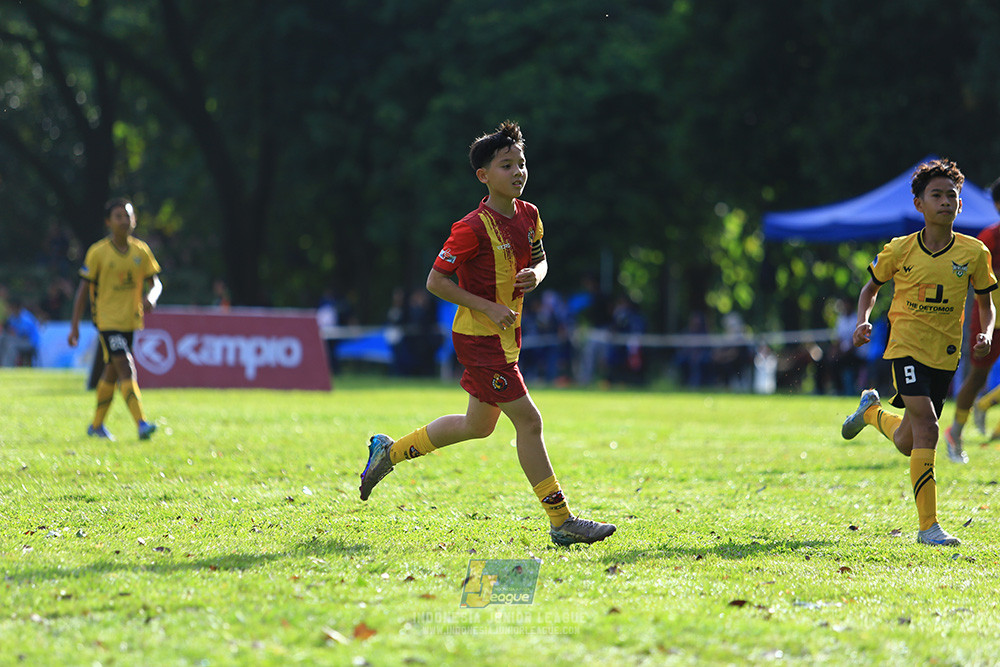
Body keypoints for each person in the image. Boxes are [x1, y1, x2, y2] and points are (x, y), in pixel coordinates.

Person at [357, 120, 615, 546]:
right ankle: (562, 521)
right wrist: (488, 306)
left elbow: (541, 260)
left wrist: (537, 275)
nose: (518, 172)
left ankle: (390, 451)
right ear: (483, 175)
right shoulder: (472, 227)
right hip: (479, 340)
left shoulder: (530, 215)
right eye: (506, 165)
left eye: (521, 163)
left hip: (505, 336)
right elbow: (436, 281)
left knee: (477, 426)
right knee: (529, 421)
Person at [841, 159, 997, 547]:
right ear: (919, 204)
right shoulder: (900, 249)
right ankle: (929, 527)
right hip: (905, 348)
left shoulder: (974, 252)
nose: (945, 201)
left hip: (945, 355)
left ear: (960, 205)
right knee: (928, 427)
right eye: (936, 195)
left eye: (951, 196)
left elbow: (986, 303)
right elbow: (870, 288)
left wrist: (987, 331)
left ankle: (871, 412)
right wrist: (863, 321)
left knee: (908, 441)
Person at [68, 197, 163, 441]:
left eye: (127, 216)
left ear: (134, 220)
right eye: (118, 216)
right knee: (125, 366)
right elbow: (82, 291)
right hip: (107, 321)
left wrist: (152, 297)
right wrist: (75, 326)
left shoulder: (141, 251)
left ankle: (96, 426)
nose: (124, 221)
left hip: (130, 321)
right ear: (108, 222)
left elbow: (156, 283)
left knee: (111, 372)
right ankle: (141, 423)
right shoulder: (98, 252)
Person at [944, 177, 1000, 457]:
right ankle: (955, 432)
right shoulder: (989, 239)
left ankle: (986, 405)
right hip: (990, 319)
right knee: (977, 377)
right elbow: (973, 278)